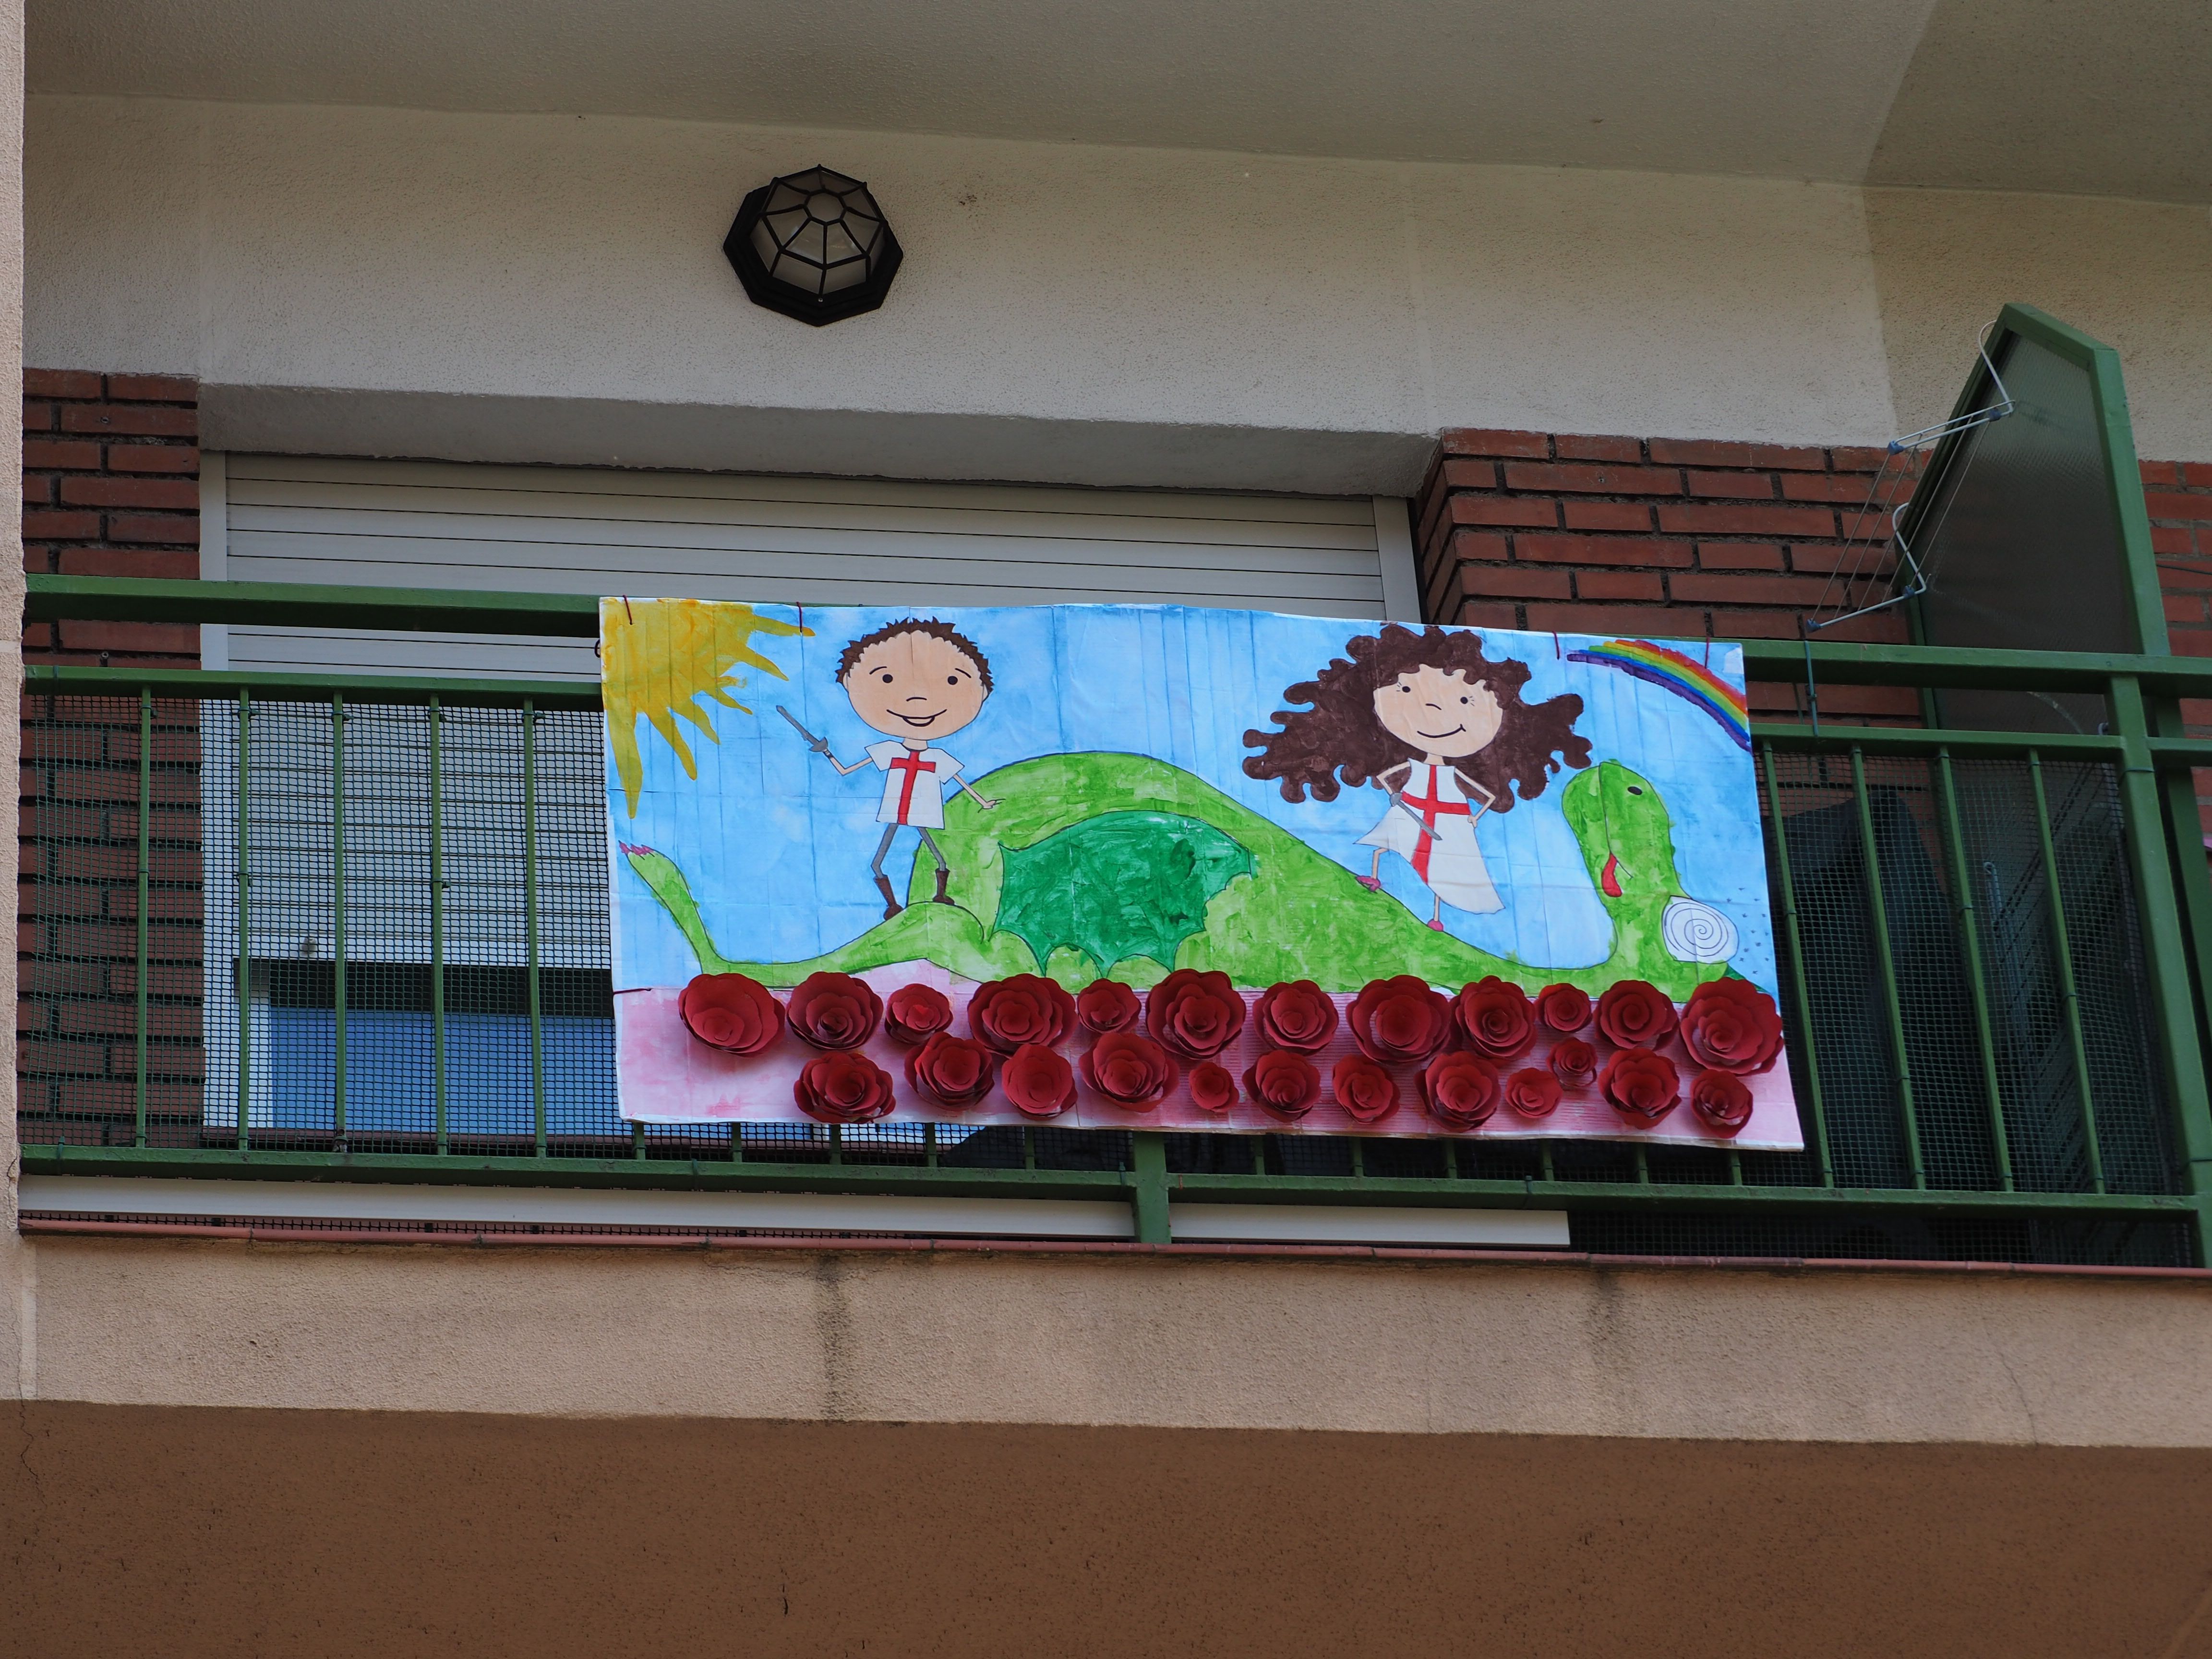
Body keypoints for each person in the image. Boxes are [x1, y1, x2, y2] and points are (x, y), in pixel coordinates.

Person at [1243, 624, 1591, 930]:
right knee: (1385, 842)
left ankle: (1437, 914)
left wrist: (1473, 817)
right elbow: (1392, 776)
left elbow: (1483, 795)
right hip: (1413, 807)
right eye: (1406, 690)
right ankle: (1376, 879)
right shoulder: (1407, 759)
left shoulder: (1457, 772)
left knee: (1447, 867)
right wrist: (1388, 785)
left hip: (1448, 817)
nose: (1435, 709)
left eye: (1467, 700)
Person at [802, 618, 1000, 918]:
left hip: (922, 810)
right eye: (887, 680)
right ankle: (892, 906)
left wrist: (984, 802)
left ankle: (941, 896)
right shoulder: (889, 750)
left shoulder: (937, 758)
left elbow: (960, 781)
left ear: (982, 692)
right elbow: (846, 771)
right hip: (897, 810)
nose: (918, 698)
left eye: (951, 681)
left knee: (941, 861)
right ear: (849, 683)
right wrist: (827, 753)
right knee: (878, 862)